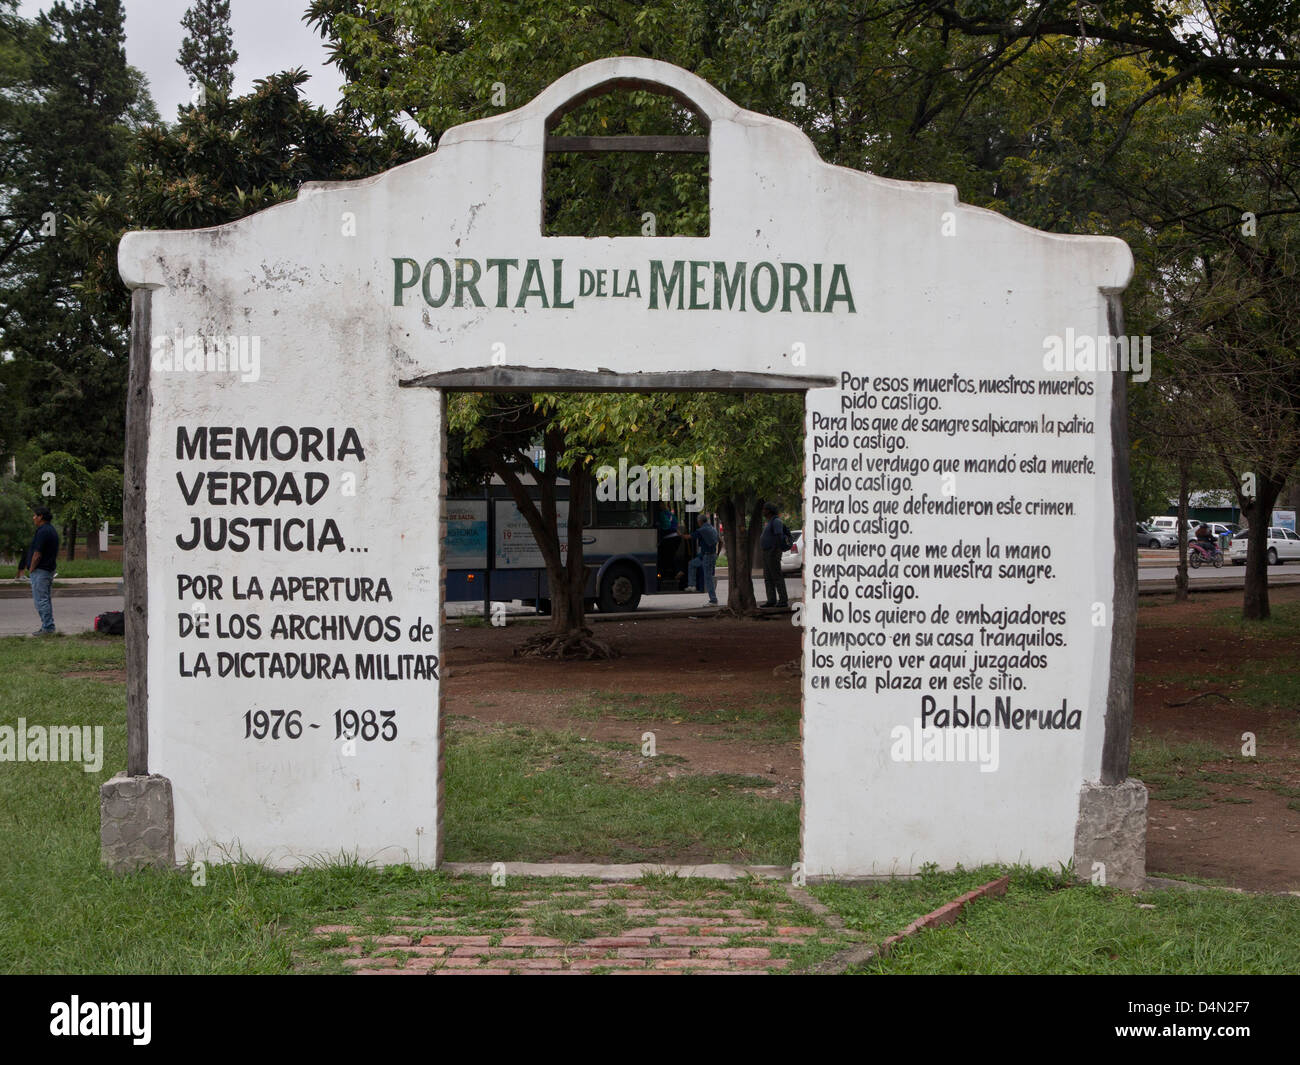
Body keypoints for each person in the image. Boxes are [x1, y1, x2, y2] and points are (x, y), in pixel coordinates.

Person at [17, 506, 59, 635]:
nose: (33, 518)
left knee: (41, 600)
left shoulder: (43, 531)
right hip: (47, 569)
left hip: (41, 570)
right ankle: (48, 626)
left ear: (41, 517)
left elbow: (37, 553)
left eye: (35, 515)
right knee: (45, 599)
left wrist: (31, 568)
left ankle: (47, 627)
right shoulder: (50, 530)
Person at [759, 502, 790, 608]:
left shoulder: (776, 521)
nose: (763, 511)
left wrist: (775, 550)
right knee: (768, 578)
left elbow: (779, 537)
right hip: (767, 552)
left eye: (764, 509)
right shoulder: (770, 522)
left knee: (777, 576)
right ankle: (771, 600)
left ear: (769, 510)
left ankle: (783, 600)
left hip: (773, 552)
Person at [691, 512, 720, 605]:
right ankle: (692, 585)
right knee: (693, 564)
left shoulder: (702, 530)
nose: (697, 523)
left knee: (708, 578)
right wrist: (717, 553)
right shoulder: (712, 529)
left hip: (707, 556)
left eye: (697, 521)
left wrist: (680, 534)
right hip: (711, 555)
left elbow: (690, 536)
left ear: (700, 521)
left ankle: (713, 600)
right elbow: (721, 541)